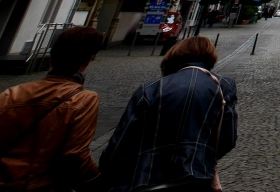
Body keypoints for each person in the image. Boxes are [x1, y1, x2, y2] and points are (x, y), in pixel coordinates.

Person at [99, 37, 237, 192]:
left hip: (146, 176)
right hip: (196, 175)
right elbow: (228, 138)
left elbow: (122, 140)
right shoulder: (223, 87)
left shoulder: (151, 88)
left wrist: (105, 173)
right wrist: (203, 156)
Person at [0, 25, 104, 191]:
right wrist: (98, 184)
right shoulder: (82, 99)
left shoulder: (10, 94)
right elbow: (75, 157)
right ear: (87, 61)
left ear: (51, 59)